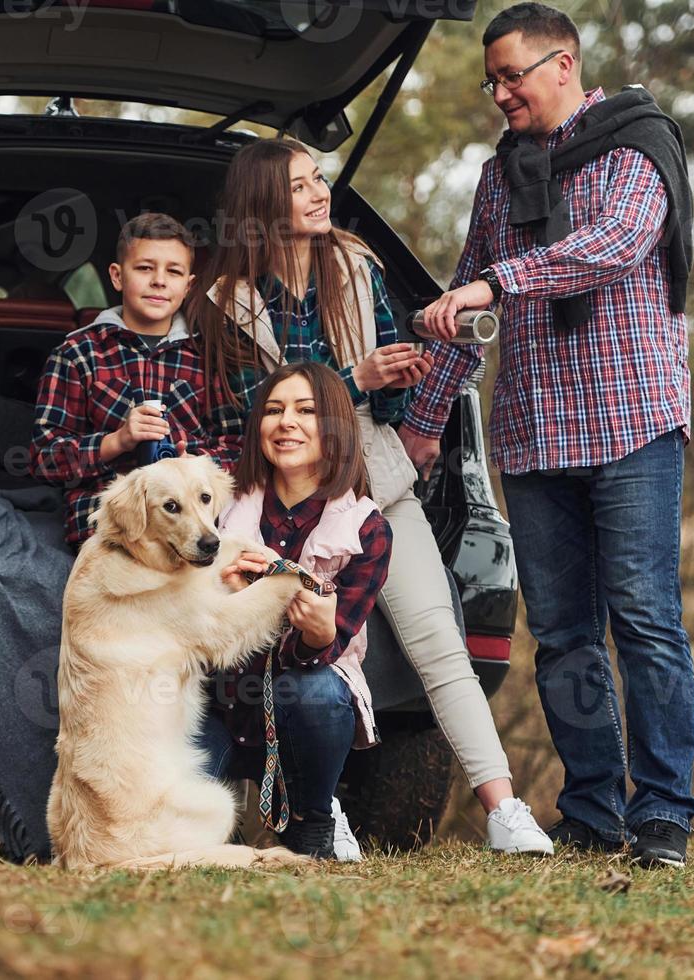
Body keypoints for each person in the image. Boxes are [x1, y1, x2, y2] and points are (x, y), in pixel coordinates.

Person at [190, 137, 555, 856]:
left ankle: (506, 811)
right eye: (301, 185)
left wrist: (404, 377)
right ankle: (324, 814)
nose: (320, 192)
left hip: (375, 488)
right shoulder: (224, 303)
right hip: (279, 505)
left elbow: (385, 405)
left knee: (439, 644)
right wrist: (354, 378)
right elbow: (246, 415)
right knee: (298, 656)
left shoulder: (357, 267)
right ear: (265, 202)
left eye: (320, 178)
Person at [400, 3, 694, 868]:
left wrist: (498, 283)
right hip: (534, 435)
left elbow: (613, 246)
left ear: (561, 65)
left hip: (630, 423)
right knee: (564, 633)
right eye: (490, 80)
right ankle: (594, 812)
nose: (499, 93)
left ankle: (663, 816)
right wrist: (423, 429)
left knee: (644, 619)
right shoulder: (501, 178)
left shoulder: (638, 144)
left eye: (511, 76)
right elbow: (467, 300)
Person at [203, 362, 391, 860]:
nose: (286, 421)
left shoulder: (364, 529)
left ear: (336, 429)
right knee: (186, 814)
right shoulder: (222, 507)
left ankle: (312, 819)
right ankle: (218, 834)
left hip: (301, 698)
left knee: (319, 691)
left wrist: (316, 633)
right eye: (273, 410)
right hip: (219, 697)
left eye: (306, 411)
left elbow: (326, 649)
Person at [31, 212, 241, 546]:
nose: (159, 281)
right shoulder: (77, 353)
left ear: (188, 286)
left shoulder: (208, 359)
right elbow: (45, 459)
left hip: (194, 523)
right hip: (109, 525)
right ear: (117, 276)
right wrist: (117, 441)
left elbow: (239, 447)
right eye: (144, 268)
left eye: (173, 271)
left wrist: (198, 463)